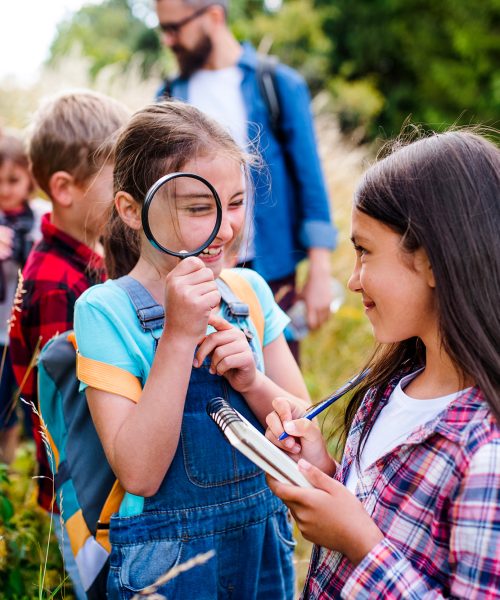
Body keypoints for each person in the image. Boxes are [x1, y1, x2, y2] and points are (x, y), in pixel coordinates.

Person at [73, 101, 310, 599]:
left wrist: (252, 381)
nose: (225, 228)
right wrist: (178, 338)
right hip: (166, 566)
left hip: (262, 550)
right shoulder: (104, 310)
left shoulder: (249, 293)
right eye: (200, 208)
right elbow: (139, 473)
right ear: (131, 211)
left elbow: (305, 441)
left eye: (238, 202)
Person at [265, 130, 500, 598]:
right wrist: (323, 472)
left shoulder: (487, 454)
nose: (352, 280)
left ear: (433, 261)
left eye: (365, 251)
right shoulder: (387, 389)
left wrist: (360, 545)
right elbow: (379, 508)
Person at [155, 0, 337, 361]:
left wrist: (320, 269)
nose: (168, 40)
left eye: (174, 28)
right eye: (163, 29)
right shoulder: (169, 97)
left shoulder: (278, 84)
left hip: (273, 270)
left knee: (277, 380)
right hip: (199, 267)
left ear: (213, 16)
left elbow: (310, 179)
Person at [8, 90, 129, 599]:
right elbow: (71, 403)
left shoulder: (78, 258)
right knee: (100, 588)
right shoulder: (58, 283)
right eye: (117, 182)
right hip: (81, 492)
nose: (129, 195)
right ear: (64, 189)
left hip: (89, 483)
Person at [0, 133, 44, 463]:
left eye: (13, 180)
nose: (5, 189)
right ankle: (9, 467)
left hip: (34, 329)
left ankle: (25, 466)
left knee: (28, 403)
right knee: (2, 404)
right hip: (1, 331)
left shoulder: (41, 217)